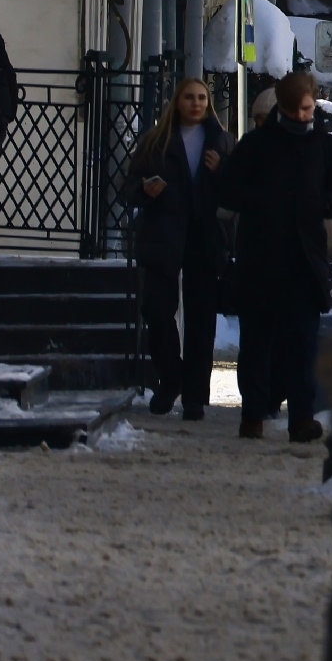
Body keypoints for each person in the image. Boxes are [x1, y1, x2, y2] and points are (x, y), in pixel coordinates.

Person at [219, 70, 332, 443]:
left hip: (305, 259)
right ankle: (253, 414)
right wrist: (265, 201)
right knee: (257, 342)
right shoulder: (257, 144)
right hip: (262, 257)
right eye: (297, 111)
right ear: (283, 109)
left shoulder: (323, 145)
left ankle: (301, 418)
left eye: (307, 109)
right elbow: (229, 190)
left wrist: (324, 205)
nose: (304, 116)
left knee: (302, 343)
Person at [125, 77, 232, 418]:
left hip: (204, 236)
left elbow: (237, 189)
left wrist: (221, 171)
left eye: (201, 97)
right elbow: (129, 185)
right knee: (157, 312)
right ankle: (170, 378)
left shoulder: (221, 140)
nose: (195, 103)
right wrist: (146, 190)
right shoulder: (157, 140)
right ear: (177, 102)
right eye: (189, 97)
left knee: (201, 319)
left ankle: (195, 396)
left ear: (208, 103)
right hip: (163, 234)